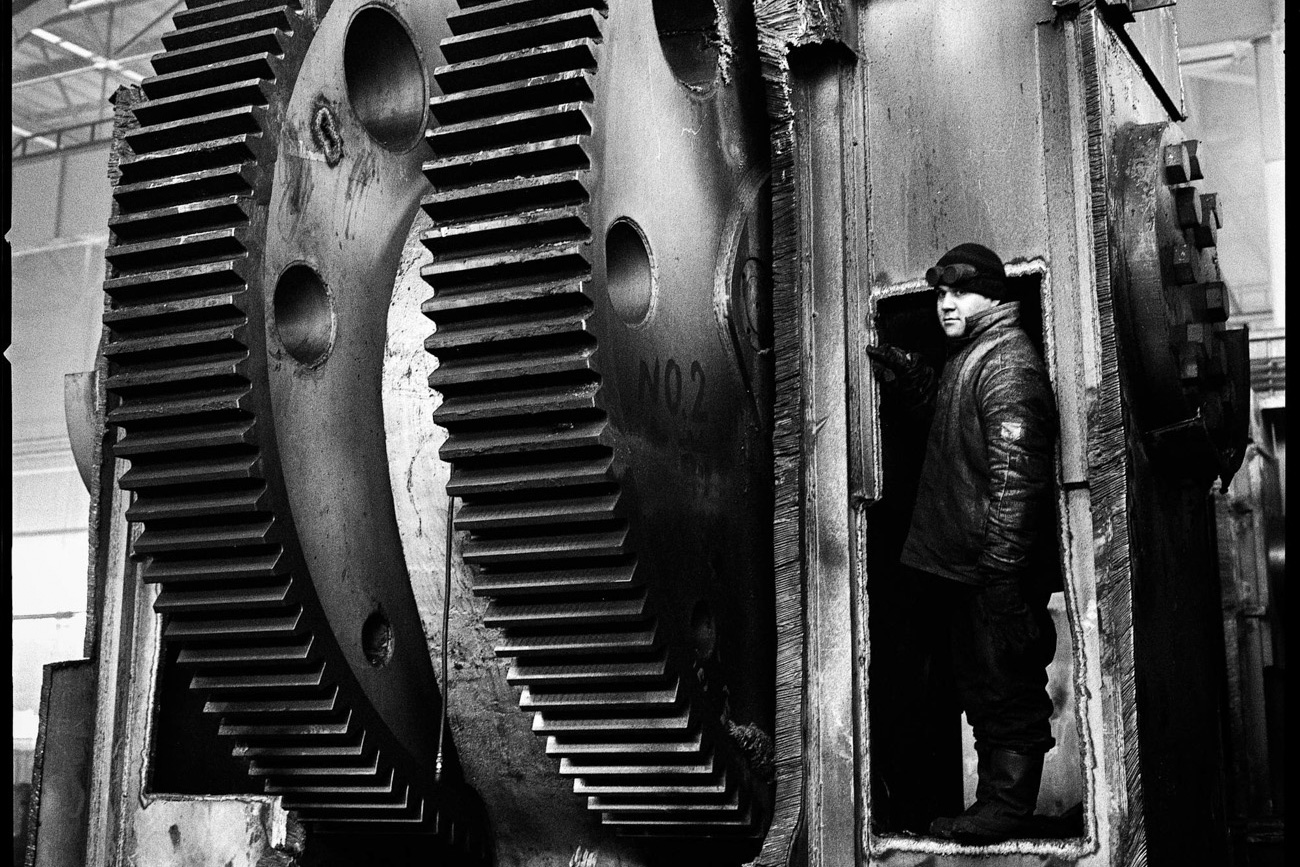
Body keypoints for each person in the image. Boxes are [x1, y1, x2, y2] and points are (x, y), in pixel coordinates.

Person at [866, 243, 1059, 843]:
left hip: (990, 570)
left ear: (995, 297)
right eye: (942, 294)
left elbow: (1016, 484)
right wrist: (916, 380)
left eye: (961, 293)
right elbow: (954, 431)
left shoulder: (1008, 367)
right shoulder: (971, 357)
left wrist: (1002, 579)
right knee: (980, 684)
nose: (947, 304)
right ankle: (994, 805)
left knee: (1006, 687)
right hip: (965, 567)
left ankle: (1006, 809)